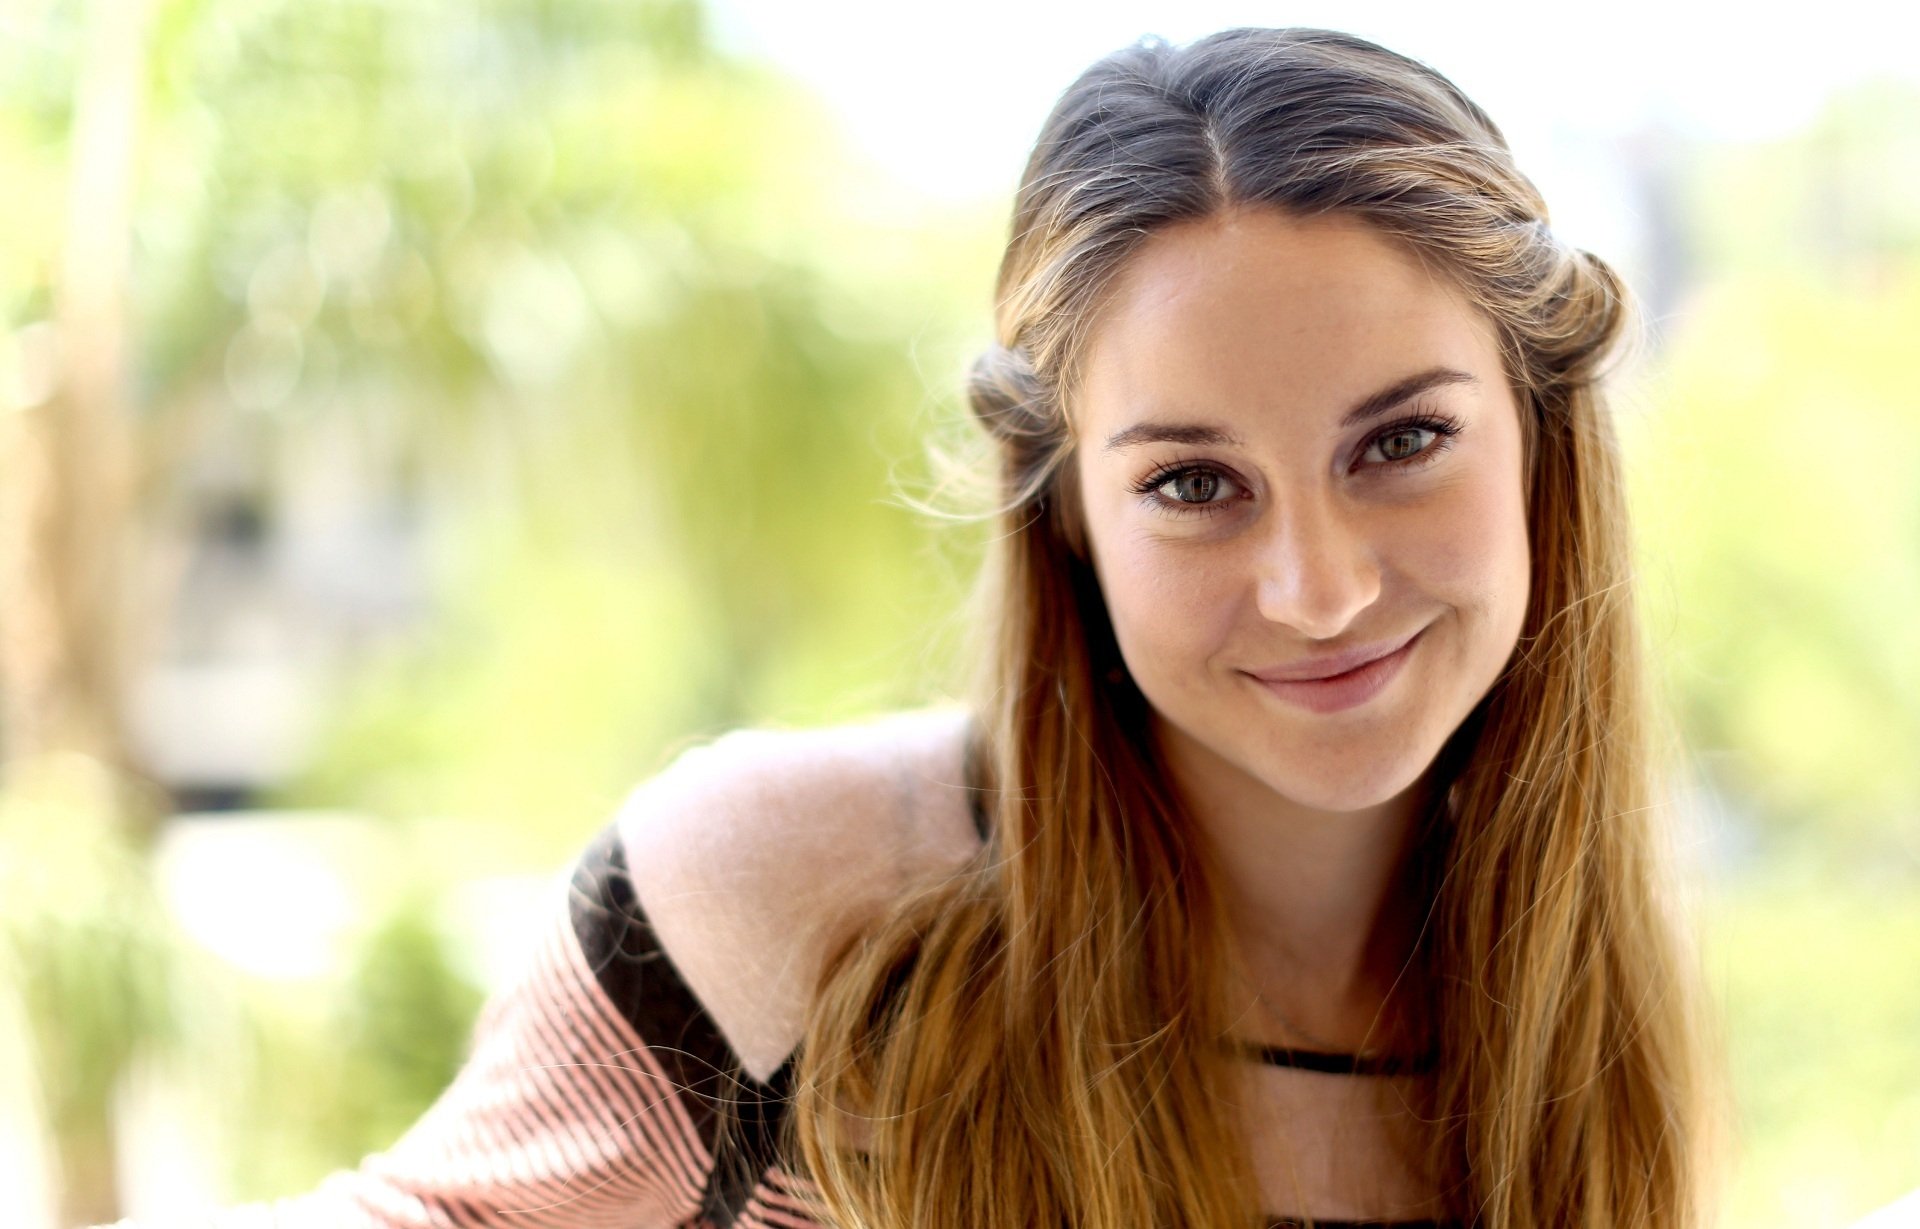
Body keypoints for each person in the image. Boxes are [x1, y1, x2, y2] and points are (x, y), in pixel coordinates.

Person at [101, 26, 1715, 1229]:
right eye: (1195, 484)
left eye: (1401, 443)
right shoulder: (791, 907)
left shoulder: (1586, 995)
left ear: (1540, 436)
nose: (1320, 586)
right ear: (1069, 511)